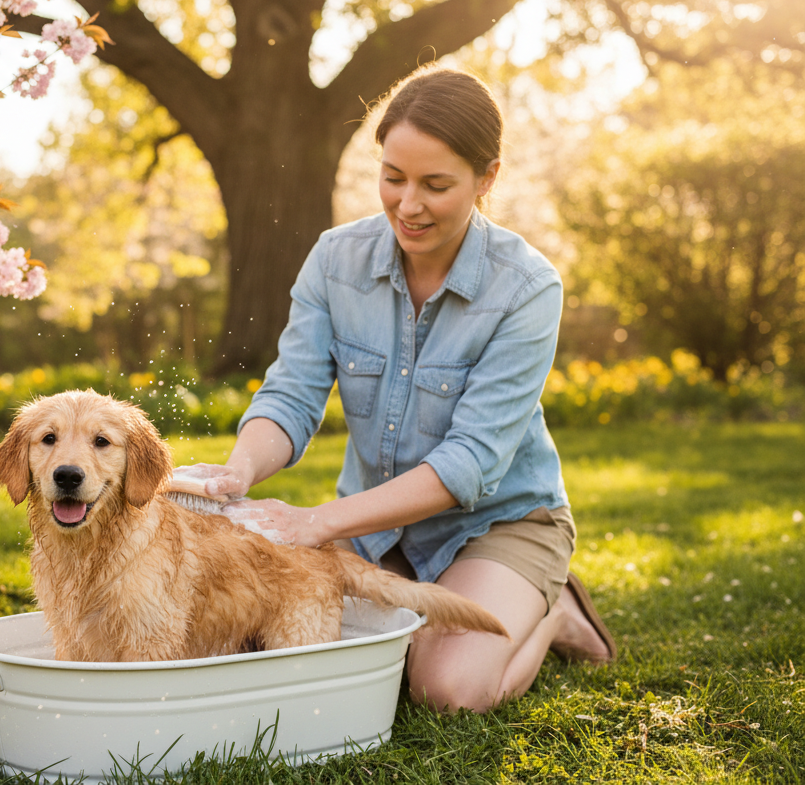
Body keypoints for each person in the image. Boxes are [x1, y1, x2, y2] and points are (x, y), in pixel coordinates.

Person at [173, 66, 616, 713]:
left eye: (436, 185)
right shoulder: (334, 261)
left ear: (485, 178)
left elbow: (470, 463)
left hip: (498, 523)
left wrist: (315, 523)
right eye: (393, 177)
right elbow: (291, 396)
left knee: (447, 689)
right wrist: (237, 473)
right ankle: (488, 609)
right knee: (270, 635)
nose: (408, 205)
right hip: (377, 530)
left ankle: (551, 610)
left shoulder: (527, 288)